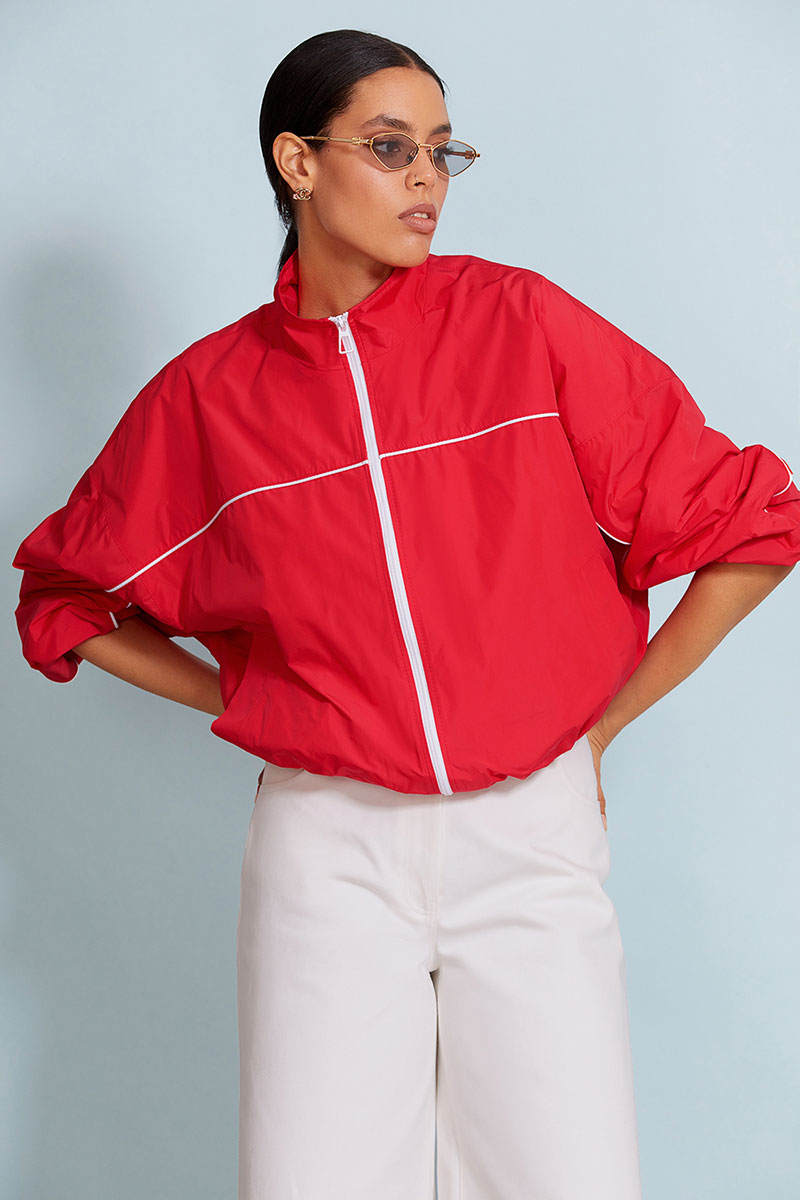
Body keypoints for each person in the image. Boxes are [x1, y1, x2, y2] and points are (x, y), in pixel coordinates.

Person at [11, 27, 800, 1200]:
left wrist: (598, 731)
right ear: (297, 161)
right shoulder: (208, 398)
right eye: (389, 148)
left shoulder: (519, 325)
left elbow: (752, 525)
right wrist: (246, 697)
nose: (425, 178)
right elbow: (64, 597)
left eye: (441, 150)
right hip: (327, 848)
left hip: (526, 836)